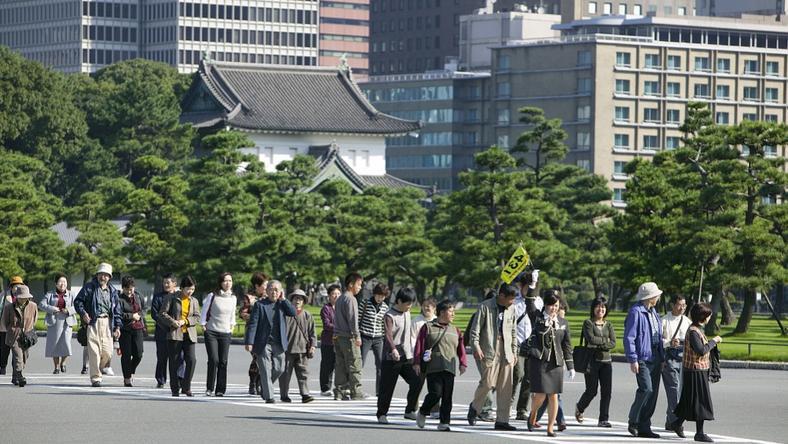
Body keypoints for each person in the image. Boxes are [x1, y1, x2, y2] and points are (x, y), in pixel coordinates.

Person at [467, 284, 519, 431]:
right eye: (511, 299)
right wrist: (476, 346)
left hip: (507, 349)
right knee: (488, 383)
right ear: (501, 296)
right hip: (490, 347)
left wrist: (514, 352)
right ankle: (475, 407)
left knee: (505, 388)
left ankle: (502, 421)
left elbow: (514, 332)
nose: (513, 302)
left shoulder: (512, 309)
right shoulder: (485, 306)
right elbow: (474, 330)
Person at [670, 302, 721, 443]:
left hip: (696, 371)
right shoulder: (693, 331)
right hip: (695, 371)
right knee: (700, 402)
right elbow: (701, 350)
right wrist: (714, 341)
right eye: (708, 315)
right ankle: (699, 433)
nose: (710, 318)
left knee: (689, 401)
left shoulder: (696, 329)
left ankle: (676, 423)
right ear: (703, 316)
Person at [413, 300, 467, 432]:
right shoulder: (428, 327)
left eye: (454, 311)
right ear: (442, 312)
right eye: (450, 311)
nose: (453, 314)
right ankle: (423, 411)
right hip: (433, 367)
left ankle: (444, 422)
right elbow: (419, 345)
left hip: (449, 366)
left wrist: (463, 363)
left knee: (447, 396)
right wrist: (416, 362)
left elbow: (461, 349)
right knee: (435, 393)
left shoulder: (456, 330)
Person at [527, 291, 574, 437]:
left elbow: (567, 345)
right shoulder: (538, 318)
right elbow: (529, 305)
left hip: (556, 364)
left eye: (556, 305)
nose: (553, 308)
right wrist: (532, 287)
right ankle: (533, 413)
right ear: (545, 305)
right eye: (550, 305)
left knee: (553, 395)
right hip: (540, 362)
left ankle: (550, 428)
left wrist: (570, 366)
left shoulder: (563, 322)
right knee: (540, 395)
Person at [244, 279, 296, 403]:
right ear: (267, 291)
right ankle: (269, 396)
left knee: (279, 368)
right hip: (263, 342)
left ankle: (264, 386)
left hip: (279, 342)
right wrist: (249, 342)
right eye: (271, 289)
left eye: (277, 290)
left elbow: (293, 313)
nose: (274, 292)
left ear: (281, 292)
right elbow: (253, 324)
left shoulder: (282, 304)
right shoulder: (260, 305)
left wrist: (283, 299)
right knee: (265, 369)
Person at [624, 281, 665, 438]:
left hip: (655, 356)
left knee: (653, 393)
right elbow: (629, 337)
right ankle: (633, 420)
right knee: (646, 388)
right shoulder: (636, 312)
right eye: (656, 295)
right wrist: (633, 359)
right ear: (650, 297)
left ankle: (644, 426)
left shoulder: (653, 311)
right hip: (642, 357)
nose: (658, 297)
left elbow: (658, 336)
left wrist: (662, 357)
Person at [376, 287, 421, 424]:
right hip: (392, 358)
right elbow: (388, 335)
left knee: (417, 381)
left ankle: (409, 411)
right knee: (387, 388)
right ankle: (382, 414)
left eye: (411, 303)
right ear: (399, 301)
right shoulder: (389, 315)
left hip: (406, 357)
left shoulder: (407, 312)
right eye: (408, 303)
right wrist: (393, 349)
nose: (410, 306)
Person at [74, 263, 122, 388]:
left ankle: (100, 368)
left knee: (108, 352)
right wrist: (83, 313)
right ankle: (96, 378)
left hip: (107, 322)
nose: (103, 277)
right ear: (97, 275)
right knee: (94, 352)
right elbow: (78, 301)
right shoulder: (89, 287)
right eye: (101, 274)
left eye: (106, 275)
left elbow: (117, 310)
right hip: (93, 321)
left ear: (109, 277)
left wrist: (117, 326)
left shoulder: (113, 291)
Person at [575, 297, 616, 428]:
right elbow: (591, 339)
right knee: (592, 391)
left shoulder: (608, 324)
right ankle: (580, 407)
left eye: (603, 307)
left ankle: (603, 419)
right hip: (591, 362)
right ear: (593, 308)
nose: (601, 309)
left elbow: (613, 343)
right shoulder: (588, 323)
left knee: (607, 392)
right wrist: (605, 340)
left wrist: (602, 342)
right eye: (598, 306)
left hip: (606, 362)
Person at [158, 275, 200, 397]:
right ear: (181, 288)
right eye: (188, 289)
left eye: (192, 289)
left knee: (192, 360)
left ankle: (186, 386)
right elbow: (162, 313)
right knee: (174, 362)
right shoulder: (171, 297)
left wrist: (185, 321)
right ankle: (175, 388)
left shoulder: (194, 301)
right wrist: (173, 322)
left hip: (189, 334)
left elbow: (197, 317)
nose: (190, 292)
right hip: (175, 334)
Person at [201, 272, 237, 397]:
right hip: (211, 332)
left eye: (230, 281)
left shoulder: (233, 298)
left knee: (223, 361)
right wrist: (203, 325)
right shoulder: (212, 296)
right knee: (214, 360)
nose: (228, 283)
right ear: (220, 282)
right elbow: (204, 311)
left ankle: (220, 389)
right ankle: (209, 387)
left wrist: (232, 327)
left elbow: (233, 315)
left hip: (226, 332)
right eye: (225, 281)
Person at [512, 270, 541, 420]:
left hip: (532, 343)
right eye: (527, 286)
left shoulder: (539, 301)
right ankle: (507, 404)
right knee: (517, 375)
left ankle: (521, 409)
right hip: (516, 343)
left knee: (529, 378)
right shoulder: (514, 302)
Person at [279, 289, 316, 403]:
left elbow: (312, 332)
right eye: (295, 298)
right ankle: (284, 394)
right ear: (291, 300)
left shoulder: (307, 315)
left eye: (300, 299)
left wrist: (313, 345)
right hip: (287, 349)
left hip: (302, 349)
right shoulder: (285, 313)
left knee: (303, 373)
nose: (298, 301)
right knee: (285, 374)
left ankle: (305, 394)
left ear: (304, 301)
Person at [333, 272, 366, 400]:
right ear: (351, 284)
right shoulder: (351, 299)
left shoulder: (340, 298)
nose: (360, 287)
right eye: (358, 284)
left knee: (340, 365)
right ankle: (356, 391)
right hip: (348, 337)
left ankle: (339, 392)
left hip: (338, 336)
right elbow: (353, 320)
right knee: (354, 364)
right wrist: (357, 336)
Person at [463, 291, 496, 422]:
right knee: (487, 381)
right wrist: (463, 349)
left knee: (493, 383)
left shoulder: (501, 314)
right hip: (482, 352)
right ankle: (485, 410)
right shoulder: (480, 313)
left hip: (497, 354)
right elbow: (470, 333)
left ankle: (476, 404)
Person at [662, 294, 690, 434]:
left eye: (684, 305)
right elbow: (657, 341)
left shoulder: (687, 321)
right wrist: (669, 343)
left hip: (683, 359)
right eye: (680, 305)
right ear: (672, 304)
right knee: (673, 390)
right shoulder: (664, 320)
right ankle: (676, 423)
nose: (682, 308)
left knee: (681, 390)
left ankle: (669, 419)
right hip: (669, 359)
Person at [1, 285, 38, 387]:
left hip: (27, 335)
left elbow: (35, 319)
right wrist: (12, 329)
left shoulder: (33, 306)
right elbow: (5, 321)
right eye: (21, 297)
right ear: (17, 297)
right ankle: (20, 376)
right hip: (14, 335)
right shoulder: (9, 307)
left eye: (25, 297)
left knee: (25, 356)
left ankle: (15, 376)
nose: (23, 299)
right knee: (18, 356)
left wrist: (29, 329)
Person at [39, 273, 76, 374]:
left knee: (66, 344)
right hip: (54, 322)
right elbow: (41, 304)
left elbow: (77, 306)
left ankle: (63, 363)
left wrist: (68, 310)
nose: (62, 284)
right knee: (54, 345)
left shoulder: (71, 294)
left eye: (64, 282)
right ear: (56, 284)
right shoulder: (50, 294)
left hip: (67, 321)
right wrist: (52, 308)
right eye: (60, 282)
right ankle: (56, 367)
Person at [359, 283, 389, 396]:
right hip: (365, 336)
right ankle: (356, 388)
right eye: (378, 295)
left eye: (382, 296)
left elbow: (384, 325)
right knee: (360, 363)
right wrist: (357, 335)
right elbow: (358, 319)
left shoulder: (385, 307)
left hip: (378, 338)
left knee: (381, 365)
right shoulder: (365, 303)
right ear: (374, 294)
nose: (380, 298)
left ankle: (379, 391)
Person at [240, 272, 268, 395]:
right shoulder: (249, 298)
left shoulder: (270, 296)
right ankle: (253, 381)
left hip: (267, 332)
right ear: (257, 285)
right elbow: (242, 313)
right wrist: (256, 317)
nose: (267, 288)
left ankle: (260, 381)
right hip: (253, 332)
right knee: (257, 357)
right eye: (264, 285)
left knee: (266, 358)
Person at [150, 273, 179, 388]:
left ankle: (178, 379)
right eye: (164, 283)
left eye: (168, 282)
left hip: (177, 331)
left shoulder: (178, 297)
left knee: (177, 357)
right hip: (162, 331)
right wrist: (167, 325)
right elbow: (154, 314)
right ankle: (161, 380)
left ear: (174, 284)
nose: (166, 285)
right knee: (162, 357)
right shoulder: (158, 297)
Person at [118, 276, 146, 387]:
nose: (130, 291)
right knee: (126, 355)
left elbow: (144, 309)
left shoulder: (138, 296)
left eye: (132, 288)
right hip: (125, 330)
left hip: (138, 328)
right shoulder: (119, 299)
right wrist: (131, 316)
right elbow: (118, 314)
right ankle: (127, 378)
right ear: (123, 288)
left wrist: (139, 315)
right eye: (127, 289)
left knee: (139, 354)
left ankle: (131, 370)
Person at [0, 275, 24, 377]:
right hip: (4, 327)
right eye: (16, 286)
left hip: (18, 328)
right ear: (11, 287)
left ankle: (16, 369)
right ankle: (3, 366)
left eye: (20, 286)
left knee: (17, 350)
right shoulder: (4, 295)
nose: (18, 289)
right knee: (4, 349)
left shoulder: (24, 296)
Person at [319, 283, 341, 396]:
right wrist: (340, 327)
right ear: (329, 296)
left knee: (338, 365)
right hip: (328, 341)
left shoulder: (342, 308)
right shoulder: (326, 309)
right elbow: (327, 325)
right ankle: (325, 388)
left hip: (340, 341)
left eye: (338, 293)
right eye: (333, 294)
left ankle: (337, 387)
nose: (336, 296)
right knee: (327, 365)